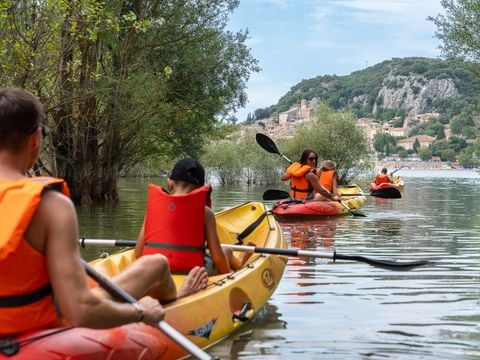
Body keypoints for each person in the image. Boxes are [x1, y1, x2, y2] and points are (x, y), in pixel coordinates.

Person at [0, 87, 205, 336]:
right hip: (38, 325)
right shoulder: (51, 207)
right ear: (35, 139)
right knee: (157, 265)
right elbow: (81, 311)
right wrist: (140, 312)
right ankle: (179, 297)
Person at [135, 157, 252, 275]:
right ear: (201, 188)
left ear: (170, 182)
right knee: (226, 250)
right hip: (193, 272)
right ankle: (239, 263)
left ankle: (239, 262)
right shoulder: (206, 213)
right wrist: (227, 275)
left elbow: (138, 253)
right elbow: (217, 256)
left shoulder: (154, 208)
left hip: (155, 270)